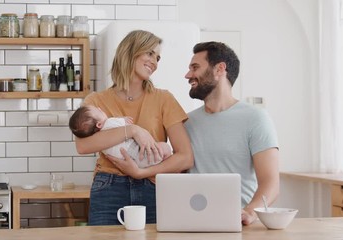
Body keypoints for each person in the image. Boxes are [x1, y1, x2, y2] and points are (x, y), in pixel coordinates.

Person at [74, 30, 194, 225]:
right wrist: (133, 130)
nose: (154, 62)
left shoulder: (164, 99)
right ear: (130, 51)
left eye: (158, 58)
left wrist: (141, 173)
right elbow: (83, 146)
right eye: (149, 53)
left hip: (154, 185)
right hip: (109, 188)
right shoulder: (96, 101)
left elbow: (185, 157)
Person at [184, 41, 279, 226]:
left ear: (220, 69)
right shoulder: (186, 122)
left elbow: (271, 183)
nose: (188, 75)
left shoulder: (255, 118)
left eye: (195, 67)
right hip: (194, 221)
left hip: (239, 224)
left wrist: (249, 212)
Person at [69, 105, 173, 168]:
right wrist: (125, 121)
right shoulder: (109, 123)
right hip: (137, 152)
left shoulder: (99, 140)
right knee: (165, 148)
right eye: (99, 111)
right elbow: (121, 123)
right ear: (99, 125)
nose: (100, 108)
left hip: (129, 161)